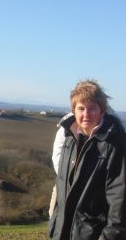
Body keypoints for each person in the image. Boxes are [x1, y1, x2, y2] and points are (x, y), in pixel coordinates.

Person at [48, 79, 126, 240]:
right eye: (81, 108)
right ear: (73, 111)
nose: (86, 114)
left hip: (93, 234)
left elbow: (119, 201)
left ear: (102, 111)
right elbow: (62, 185)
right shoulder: (69, 139)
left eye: (92, 108)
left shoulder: (115, 144)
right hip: (62, 232)